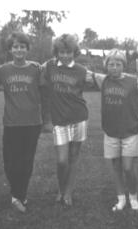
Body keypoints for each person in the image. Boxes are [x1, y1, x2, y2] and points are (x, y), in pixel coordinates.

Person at [89, 49, 138, 211]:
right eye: (111, 64)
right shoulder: (103, 80)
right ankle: (121, 198)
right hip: (110, 131)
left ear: (124, 65)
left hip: (130, 131)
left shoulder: (134, 81)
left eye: (118, 64)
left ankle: (134, 197)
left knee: (128, 167)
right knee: (115, 167)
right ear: (106, 66)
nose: (114, 67)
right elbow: (84, 72)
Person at [0, 32, 44, 213]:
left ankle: (19, 195)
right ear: (10, 49)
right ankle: (18, 193)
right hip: (11, 123)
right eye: (15, 46)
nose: (19, 49)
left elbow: (47, 88)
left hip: (32, 123)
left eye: (22, 46)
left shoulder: (37, 69)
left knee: (26, 161)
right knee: (10, 162)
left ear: (27, 49)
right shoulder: (3, 70)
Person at [41, 34, 89, 206]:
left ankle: (68, 192)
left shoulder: (82, 71)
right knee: (62, 160)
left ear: (74, 52)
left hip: (79, 118)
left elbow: (95, 81)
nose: (65, 55)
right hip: (59, 121)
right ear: (57, 52)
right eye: (62, 52)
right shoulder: (49, 67)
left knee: (74, 157)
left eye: (69, 52)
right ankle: (61, 188)